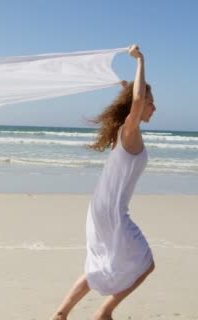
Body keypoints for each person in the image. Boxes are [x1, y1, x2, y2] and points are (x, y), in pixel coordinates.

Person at [51, 44, 156, 320]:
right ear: (140, 101)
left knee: (97, 266)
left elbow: (131, 99)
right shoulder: (129, 130)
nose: (154, 107)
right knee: (146, 263)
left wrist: (126, 85)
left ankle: (60, 315)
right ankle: (103, 313)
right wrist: (140, 60)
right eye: (150, 101)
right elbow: (134, 101)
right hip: (110, 211)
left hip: (102, 207)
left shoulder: (125, 131)